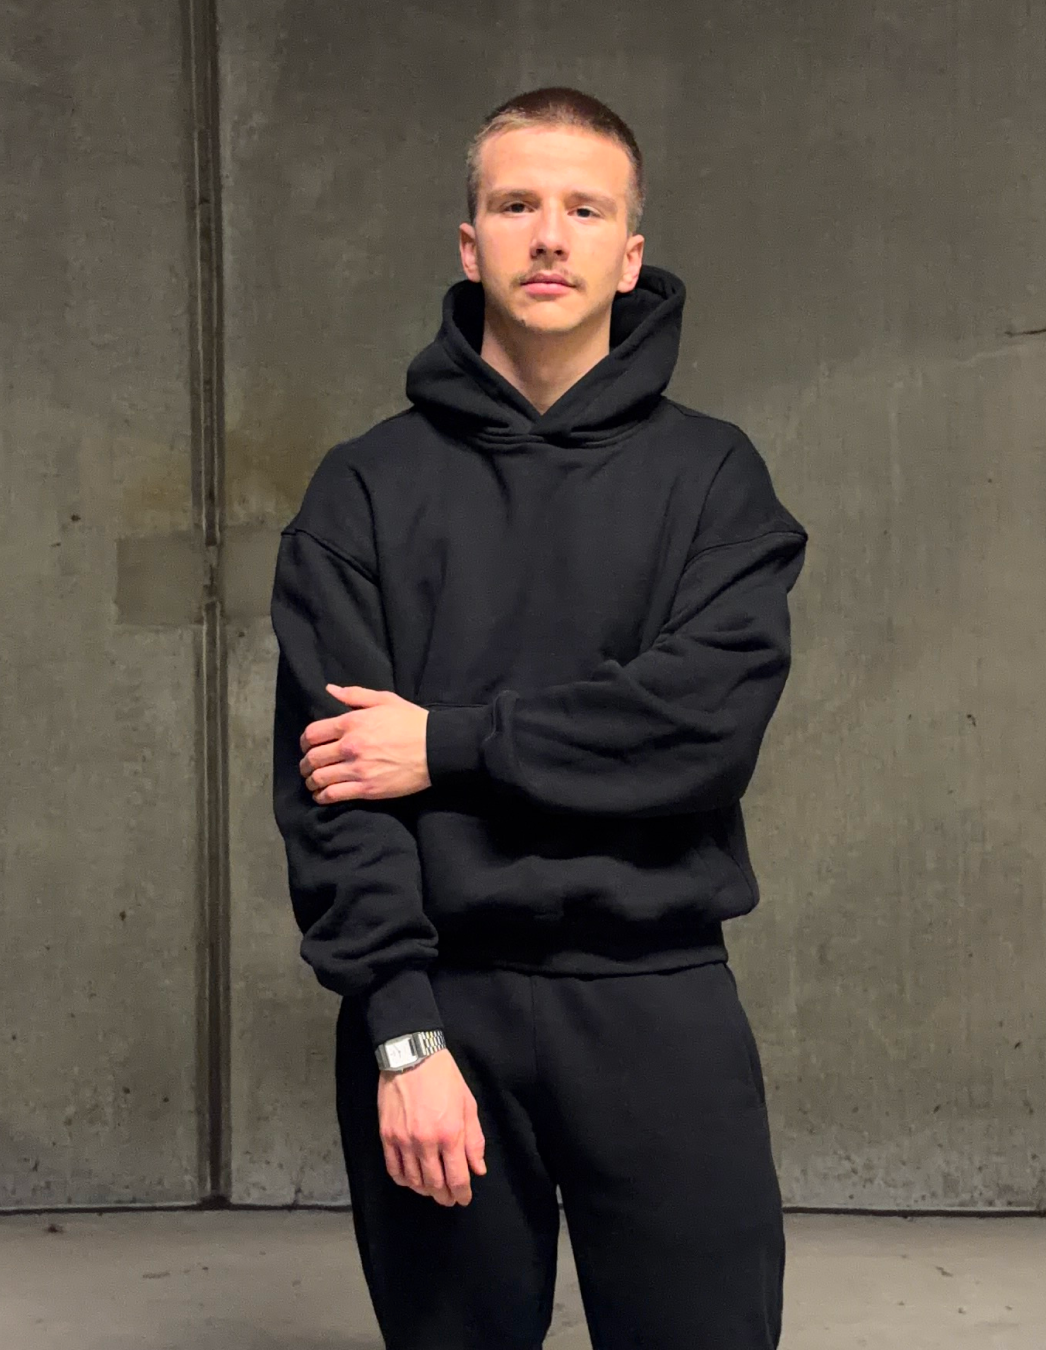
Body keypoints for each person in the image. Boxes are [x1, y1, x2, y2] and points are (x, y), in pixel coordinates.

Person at [270, 85, 808, 1350]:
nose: (550, 236)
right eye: (517, 205)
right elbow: (333, 789)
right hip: (441, 1006)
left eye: (585, 210)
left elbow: (698, 729)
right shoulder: (365, 489)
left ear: (630, 253)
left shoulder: (714, 478)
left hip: (658, 996)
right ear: (471, 245)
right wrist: (401, 1035)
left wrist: (443, 743)